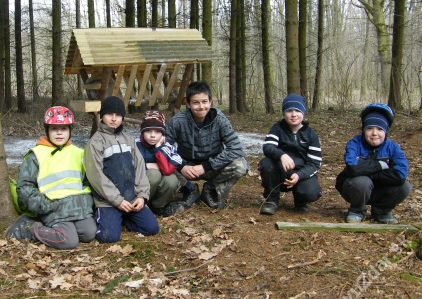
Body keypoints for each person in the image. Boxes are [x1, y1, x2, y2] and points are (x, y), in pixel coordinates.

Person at [5, 106, 97, 249]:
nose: (59, 133)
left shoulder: (79, 152)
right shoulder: (36, 155)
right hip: (52, 207)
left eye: (64, 129)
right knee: (68, 241)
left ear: (70, 130)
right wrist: (45, 205)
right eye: (54, 129)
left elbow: (87, 181)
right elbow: (24, 187)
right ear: (47, 130)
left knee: (89, 233)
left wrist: (87, 201)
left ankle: (66, 227)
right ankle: (29, 227)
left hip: (77, 206)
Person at [84, 96, 159, 243]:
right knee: (109, 237)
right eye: (109, 114)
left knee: (152, 229)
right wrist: (117, 201)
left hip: (131, 198)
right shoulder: (95, 142)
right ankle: (104, 218)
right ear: (101, 116)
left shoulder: (129, 140)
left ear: (123, 117)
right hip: (107, 201)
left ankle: (121, 220)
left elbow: (140, 169)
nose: (113, 118)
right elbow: (95, 176)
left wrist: (142, 195)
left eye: (118, 115)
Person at [165, 82, 250, 210]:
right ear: (187, 104)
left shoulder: (220, 119)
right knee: (160, 162)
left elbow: (236, 148)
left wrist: (206, 166)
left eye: (204, 101)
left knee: (240, 165)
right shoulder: (177, 121)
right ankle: (189, 189)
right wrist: (181, 166)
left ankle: (211, 190)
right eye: (195, 102)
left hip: (212, 166)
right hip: (186, 167)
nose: (201, 106)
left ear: (210, 102)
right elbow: (164, 148)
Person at [335, 103, 411, 224]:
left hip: (381, 189)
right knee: (362, 181)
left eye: (380, 129)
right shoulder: (355, 143)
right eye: (369, 128)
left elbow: (400, 174)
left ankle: (382, 212)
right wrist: (380, 166)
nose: (374, 133)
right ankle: (357, 210)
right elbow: (353, 167)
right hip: (355, 188)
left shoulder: (393, 148)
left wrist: (369, 173)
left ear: (386, 131)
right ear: (364, 129)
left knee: (404, 186)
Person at [259, 94, 322, 215]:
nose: (293, 114)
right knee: (266, 163)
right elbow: (267, 147)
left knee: (311, 192)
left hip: (301, 174)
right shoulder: (277, 128)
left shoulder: (311, 135)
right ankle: (271, 200)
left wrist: (299, 175)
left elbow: (315, 163)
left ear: (303, 112)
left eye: (297, 110)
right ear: (284, 113)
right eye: (289, 110)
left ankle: (300, 200)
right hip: (280, 172)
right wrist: (281, 155)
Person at [136, 110, 193, 217]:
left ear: (162, 133)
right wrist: (147, 166)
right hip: (139, 187)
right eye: (148, 131)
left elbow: (168, 169)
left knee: (172, 180)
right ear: (142, 132)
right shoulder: (135, 145)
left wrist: (158, 148)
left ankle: (158, 206)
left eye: (157, 132)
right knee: (154, 174)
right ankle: (143, 205)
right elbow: (128, 166)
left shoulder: (168, 147)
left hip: (160, 184)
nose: (152, 136)